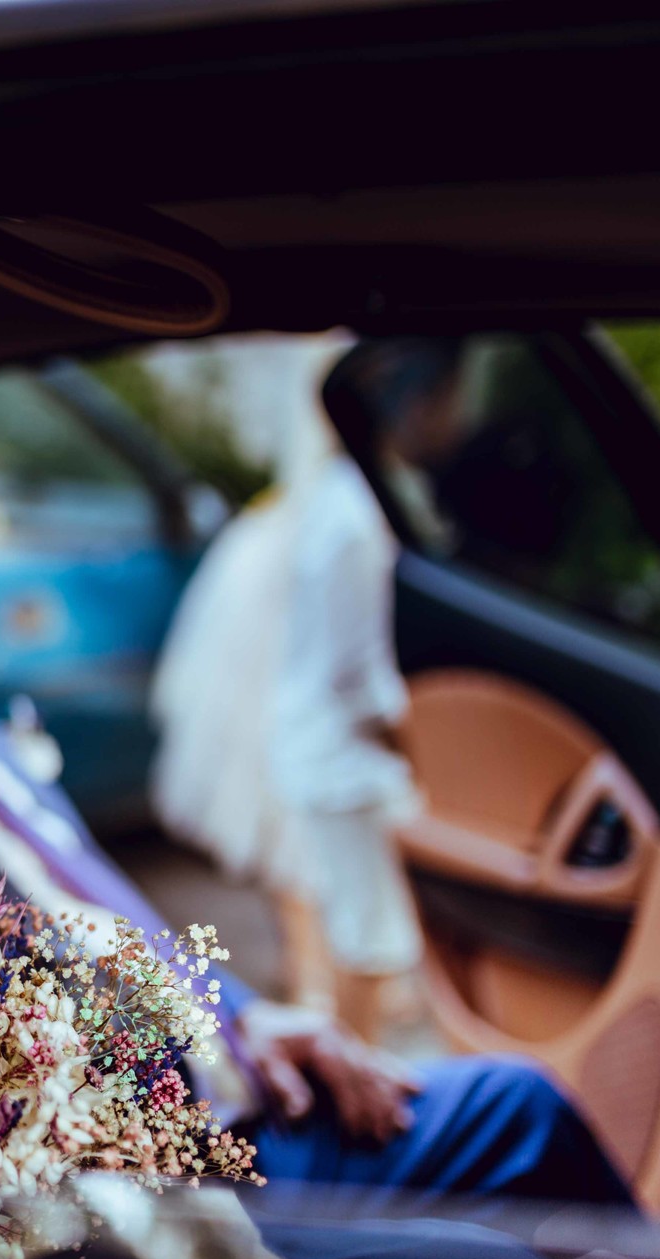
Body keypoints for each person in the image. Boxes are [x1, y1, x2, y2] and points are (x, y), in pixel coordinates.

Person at [0, 356, 635, 1213]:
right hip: (148, 1196)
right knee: (522, 1114)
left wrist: (237, 1012)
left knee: (524, 1139)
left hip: (222, 1096)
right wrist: (200, 1064)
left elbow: (81, 898)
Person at [151, 338, 434, 1041]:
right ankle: (354, 1053)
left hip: (317, 747)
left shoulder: (329, 508)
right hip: (338, 756)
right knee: (365, 930)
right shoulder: (353, 522)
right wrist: (418, 737)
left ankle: (335, 1023)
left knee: (343, 910)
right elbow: (355, 668)